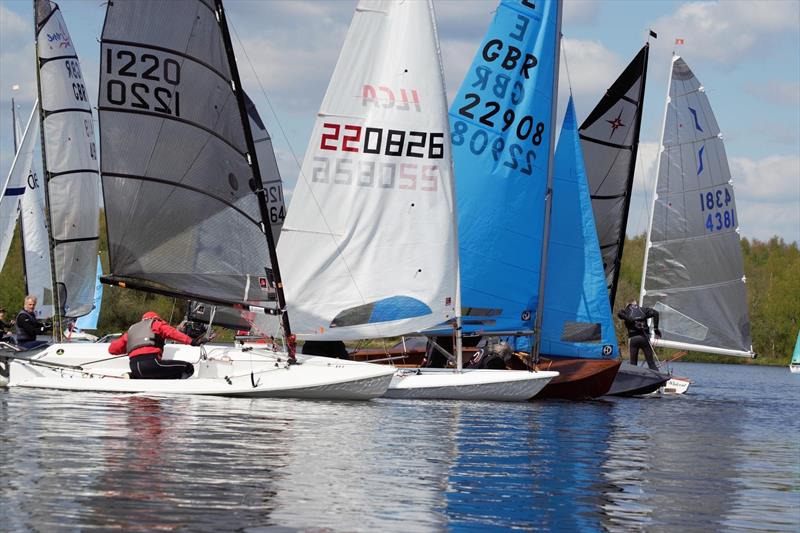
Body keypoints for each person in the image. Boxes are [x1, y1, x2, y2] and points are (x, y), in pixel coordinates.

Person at [109, 311, 204, 379]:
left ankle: (132, 376)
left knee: (149, 372)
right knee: (188, 368)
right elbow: (172, 333)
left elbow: (112, 350)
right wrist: (192, 342)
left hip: (134, 367)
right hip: (152, 364)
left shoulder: (131, 330)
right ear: (156, 318)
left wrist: (133, 348)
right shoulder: (156, 324)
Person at [617, 300, 661, 371]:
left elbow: (619, 313)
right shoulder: (643, 310)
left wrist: (629, 318)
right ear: (635, 303)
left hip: (633, 340)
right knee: (651, 364)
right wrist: (656, 329)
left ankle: (633, 381)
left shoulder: (626, 312)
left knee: (633, 365)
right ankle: (661, 381)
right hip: (644, 339)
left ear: (627, 305)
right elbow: (656, 313)